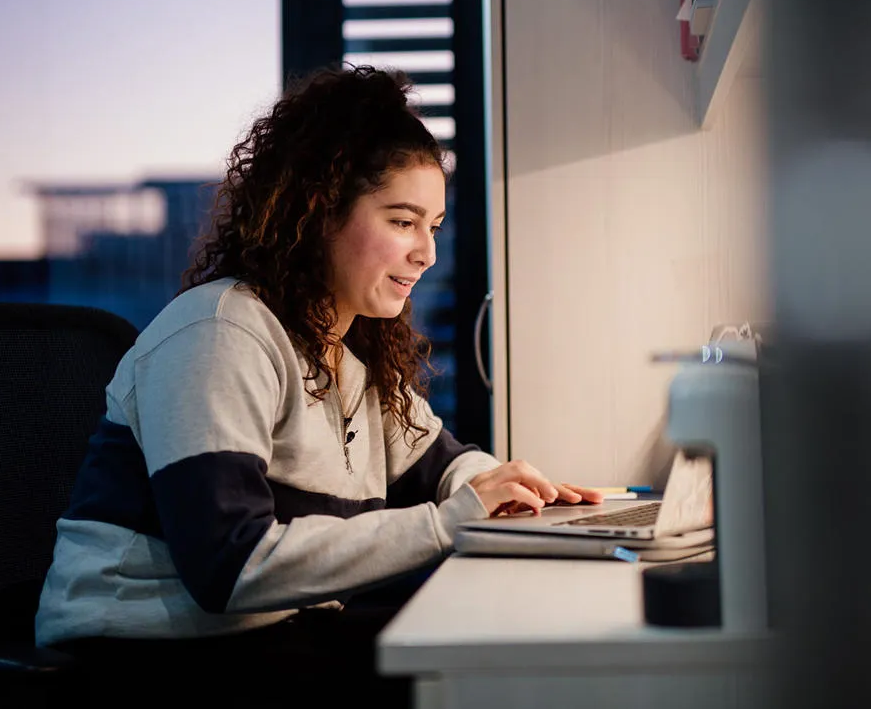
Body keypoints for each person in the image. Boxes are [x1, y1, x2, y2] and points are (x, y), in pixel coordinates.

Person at [33, 65, 604, 707]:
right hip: (143, 652)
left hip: (263, 635)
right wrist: (452, 522)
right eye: (402, 221)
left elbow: (440, 466)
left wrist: (521, 494)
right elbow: (231, 564)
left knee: (495, 642)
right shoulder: (221, 332)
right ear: (321, 211)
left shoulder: (346, 357)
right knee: (466, 671)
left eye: (434, 227)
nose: (427, 254)